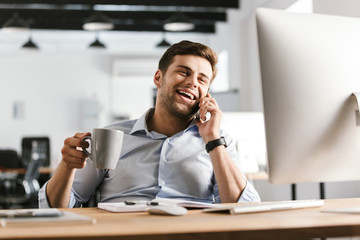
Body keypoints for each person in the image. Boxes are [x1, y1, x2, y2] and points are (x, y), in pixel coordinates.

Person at [38, 40, 260, 208]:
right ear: (158, 78)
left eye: (202, 79)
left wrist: (212, 140)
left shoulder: (219, 143)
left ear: (206, 94)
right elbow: (56, 208)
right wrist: (67, 167)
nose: (193, 82)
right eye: (184, 72)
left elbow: (242, 208)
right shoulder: (112, 137)